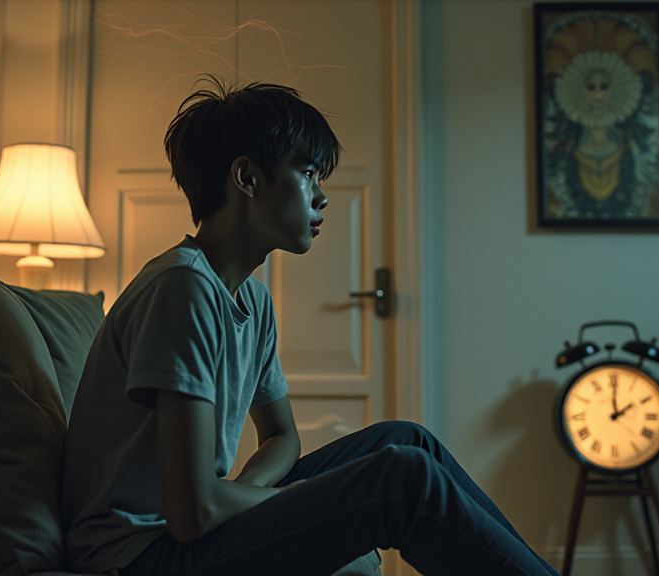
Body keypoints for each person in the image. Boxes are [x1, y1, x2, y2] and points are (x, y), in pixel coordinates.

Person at [61, 75, 560, 576]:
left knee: (408, 441)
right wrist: (299, 498)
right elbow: (195, 513)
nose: (322, 197)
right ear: (247, 178)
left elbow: (282, 438)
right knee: (398, 479)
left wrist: (261, 494)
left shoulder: (253, 299)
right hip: (140, 555)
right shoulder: (182, 289)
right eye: (306, 173)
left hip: (183, 530)